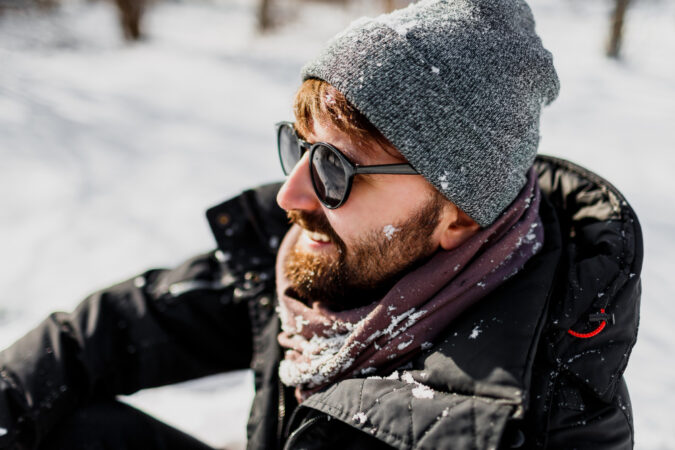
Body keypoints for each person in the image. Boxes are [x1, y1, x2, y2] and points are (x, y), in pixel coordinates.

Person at [0, 0, 642, 449]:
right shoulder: (326, 269)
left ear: (459, 214)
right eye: (299, 145)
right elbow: (106, 333)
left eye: (337, 168)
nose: (291, 192)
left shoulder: (538, 421)